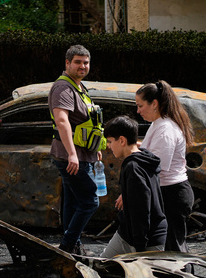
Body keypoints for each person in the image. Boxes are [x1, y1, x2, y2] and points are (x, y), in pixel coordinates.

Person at [50, 45, 104, 255]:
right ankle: (66, 246)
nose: (83, 66)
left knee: (72, 202)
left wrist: (94, 149)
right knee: (90, 201)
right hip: (70, 156)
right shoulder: (63, 88)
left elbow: (88, 122)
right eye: (78, 62)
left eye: (86, 62)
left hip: (83, 154)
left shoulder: (79, 87)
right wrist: (72, 153)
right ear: (67, 63)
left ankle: (73, 247)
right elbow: (62, 121)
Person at [134, 80, 195, 252]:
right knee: (171, 245)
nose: (138, 111)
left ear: (154, 104)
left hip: (171, 194)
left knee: (173, 247)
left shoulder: (165, 128)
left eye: (140, 106)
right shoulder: (158, 124)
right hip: (168, 192)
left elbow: (157, 166)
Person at [101, 116, 168, 258]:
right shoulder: (145, 157)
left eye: (110, 141)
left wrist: (139, 248)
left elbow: (141, 210)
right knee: (101, 266)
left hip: (147, 239)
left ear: (122, 140)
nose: (109, 146)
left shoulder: (133, 167)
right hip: (127, 234)